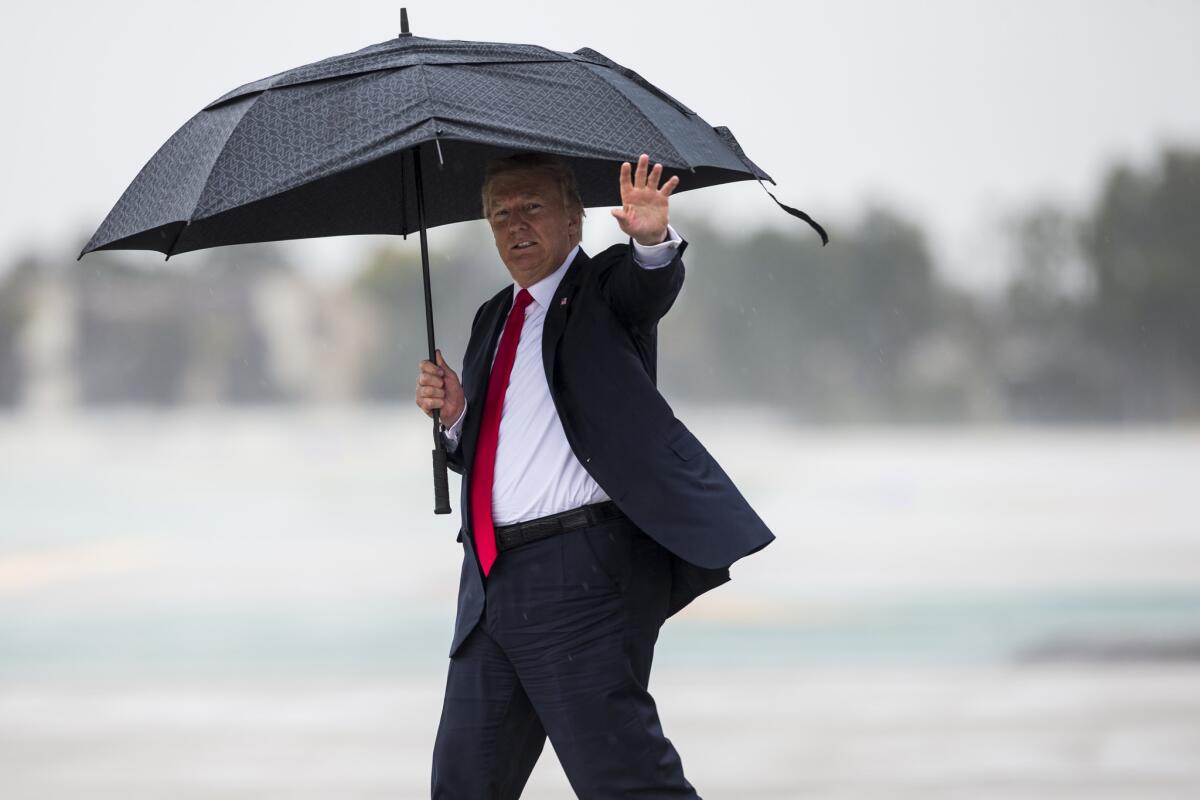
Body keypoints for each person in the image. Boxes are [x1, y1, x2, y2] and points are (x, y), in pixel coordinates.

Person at [415, 152, 775, 798]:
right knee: (463, 785)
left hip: (581, 579)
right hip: (489, 588)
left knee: (626, 784)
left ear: (575, 221)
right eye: (500, 215)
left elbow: (649, 288)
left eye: (532, 208)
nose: (516, 226)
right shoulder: (492, 317)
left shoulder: (605, 291)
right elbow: (496, 450)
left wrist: (649, 240)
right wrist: (455, 418)